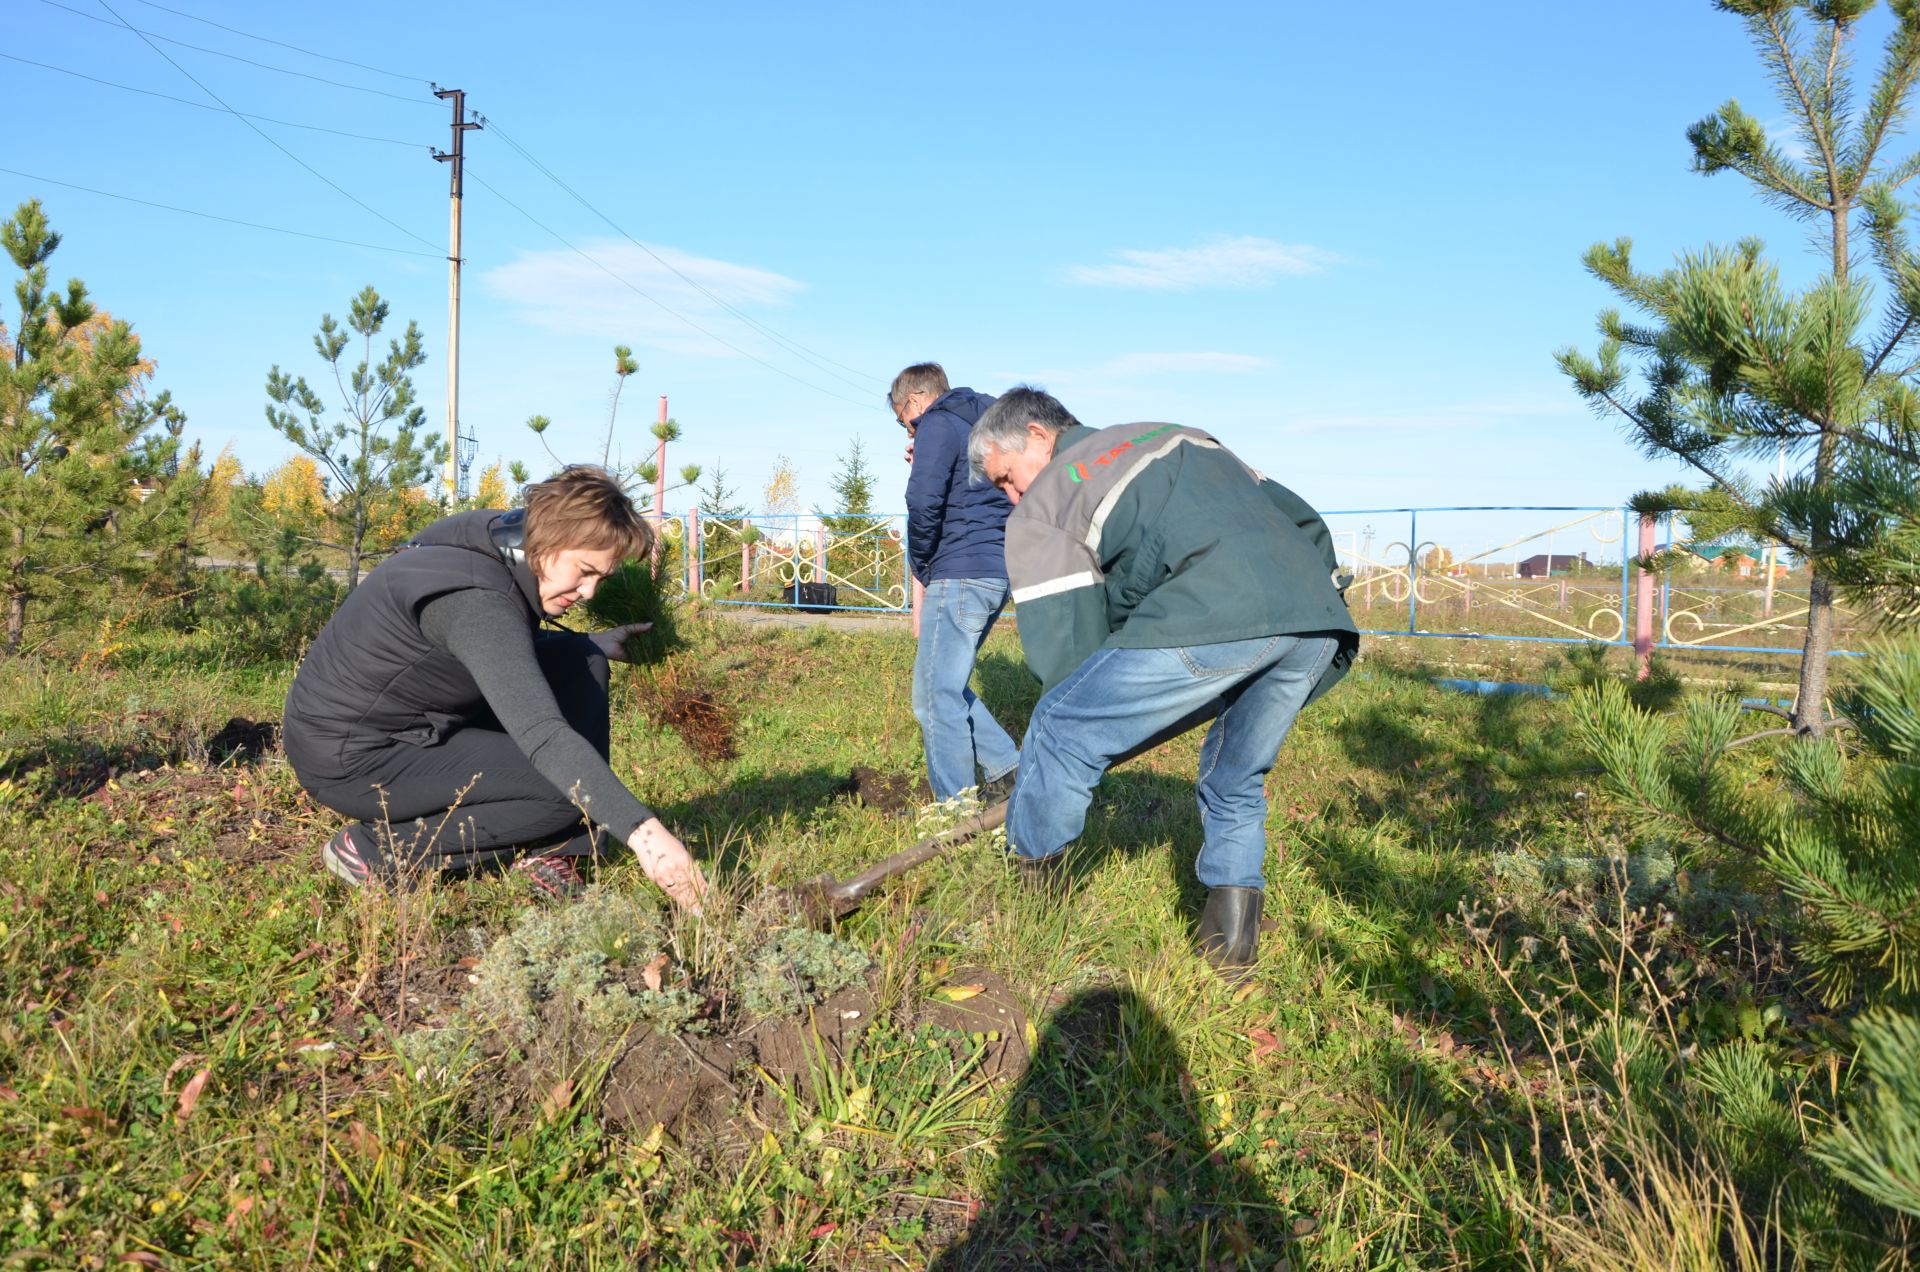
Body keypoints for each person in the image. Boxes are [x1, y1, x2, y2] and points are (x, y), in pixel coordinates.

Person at [966, 387, 1357, 979]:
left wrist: (1074, 746)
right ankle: (1230, 950)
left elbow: (1065, 660)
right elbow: (1300, 518)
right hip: (1315, 617)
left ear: (1039, 437)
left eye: (1005, 478)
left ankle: (1030, 912)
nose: (1010, 496)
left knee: (1058, 726)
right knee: (1235, 775)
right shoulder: (1178, 434)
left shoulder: (1048, 498)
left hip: (1215, 611)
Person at [281, 465, 709, 912]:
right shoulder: (477, 603)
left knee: (582, 660)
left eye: (600, 578)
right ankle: (376, 849)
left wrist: (589, 643)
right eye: (584, 571)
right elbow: (543, 734)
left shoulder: (495, 534)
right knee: (564, 791)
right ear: (548, 538)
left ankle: (557, 846)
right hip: (351, 757)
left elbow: (489, 647)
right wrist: (650, 838)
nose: (589, 594)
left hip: (407, 722)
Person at [891, 362, 1020, 803]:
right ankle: (1007, 769)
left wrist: (923, 564)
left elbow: (922, 501)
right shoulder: (988, 423)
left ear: (914, 400)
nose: (908, 431)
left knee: (932, 696)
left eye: (903, 421)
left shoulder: (938, 422)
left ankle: (955, 811)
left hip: (959, 569)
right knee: (945, 685)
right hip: (997, 570)